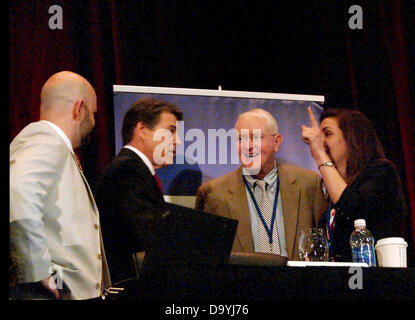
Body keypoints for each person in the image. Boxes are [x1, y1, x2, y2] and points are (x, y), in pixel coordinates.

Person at [10, 71, 111, 300]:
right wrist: (38, 270)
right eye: (93, 114)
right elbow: (15, 189)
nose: (94, 123)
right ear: (79, 108)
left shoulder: (55, 145)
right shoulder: (46, 138)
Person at [195, 109, 327, 260]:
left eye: (256, 137)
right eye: (241, 139)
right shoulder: (213, 194)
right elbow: (204, 257)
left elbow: (323, 247)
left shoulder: (308, 184)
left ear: (276, 142)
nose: (248, 146)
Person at [94, 97, 183, 284]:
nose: (178, 141)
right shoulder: (127, 170)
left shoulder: (135, 170)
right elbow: (145, 238)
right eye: (171, 131)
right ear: (142, 130)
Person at [301, 107, 407, 261]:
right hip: (343, 278)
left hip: (375, 278)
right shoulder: (330, 189)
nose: (320, 141)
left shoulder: (381, 171)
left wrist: (319, 154)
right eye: (319, 135)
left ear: (353, 138)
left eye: (327, 134)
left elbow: (355, 210)